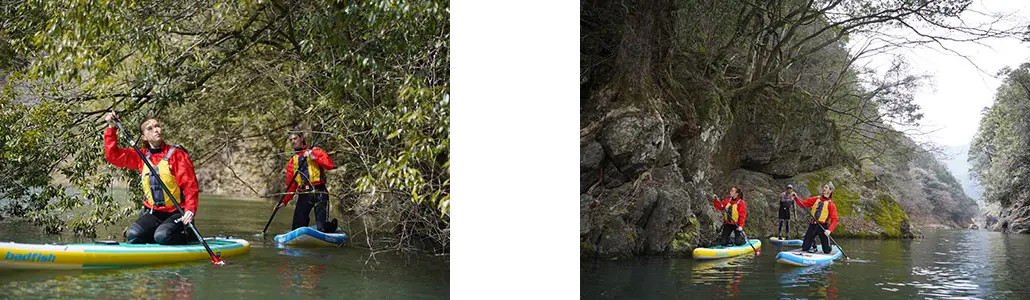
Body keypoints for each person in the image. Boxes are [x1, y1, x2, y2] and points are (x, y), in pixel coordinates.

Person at [104, 111, 200, 245]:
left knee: (163, 236)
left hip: (177, 213)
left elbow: (190, 186)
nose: (156, 130)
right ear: (143, 137)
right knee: (133, 235)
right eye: (150, 128)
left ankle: (187, 235)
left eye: (157, 126)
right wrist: (111, 128)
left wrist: (190, 210)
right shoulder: (141, 156)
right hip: (154, 213)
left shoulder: (176, 154)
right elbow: (112, 156)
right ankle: (156, 237)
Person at [275, 132, 339, 232]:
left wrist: (314, 158)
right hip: (304, 194)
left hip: (320, 192)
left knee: (322, 228)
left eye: (295, 138)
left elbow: (329, 165)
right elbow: (291, 186)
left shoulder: (315, 151)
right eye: (291, 140)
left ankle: (331, 226)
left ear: (301, 139)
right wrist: (284, 201)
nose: (293, 141)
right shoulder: (292, 162)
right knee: (296, 229)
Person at [791, 181, 839, 254]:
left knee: (826, 250)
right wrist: (796, 198)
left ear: (830, 191)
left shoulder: (831, 204)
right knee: (805, 248)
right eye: (824, 187)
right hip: (813, 225)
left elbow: (835, 219)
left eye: (826, 187)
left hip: (823, 227)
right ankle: (813, 246)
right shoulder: (816, 199)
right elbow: (803, 204)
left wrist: (829, 230)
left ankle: (828, 246)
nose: (824, 188)